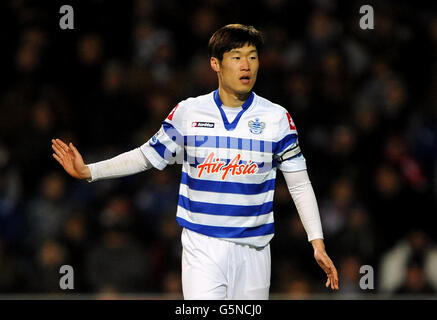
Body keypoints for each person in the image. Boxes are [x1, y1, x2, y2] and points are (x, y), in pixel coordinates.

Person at [51, 24, 339, 299]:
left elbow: (299, 183)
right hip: (203, 246)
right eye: (237, 57)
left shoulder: (277, 118)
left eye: (252, 57)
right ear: (216, 63)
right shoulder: (189, 112)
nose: (246, 66)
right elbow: (146, 156)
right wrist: (90, 171)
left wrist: (317, 242)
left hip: (255, 249)